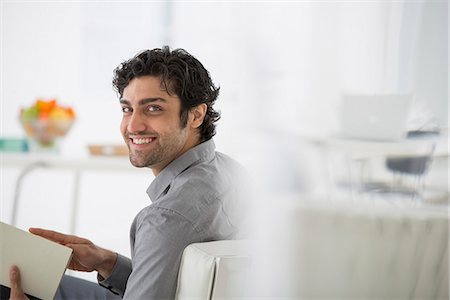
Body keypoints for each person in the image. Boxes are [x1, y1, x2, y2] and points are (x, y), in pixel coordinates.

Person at [6, 46, 247, 300]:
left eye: (153, 108)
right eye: (127, 109)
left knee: (16, 284)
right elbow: (177, 284)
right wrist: (107, 262)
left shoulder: (165, 219)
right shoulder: (233, 174)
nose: (132, 125)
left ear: (196, 115)